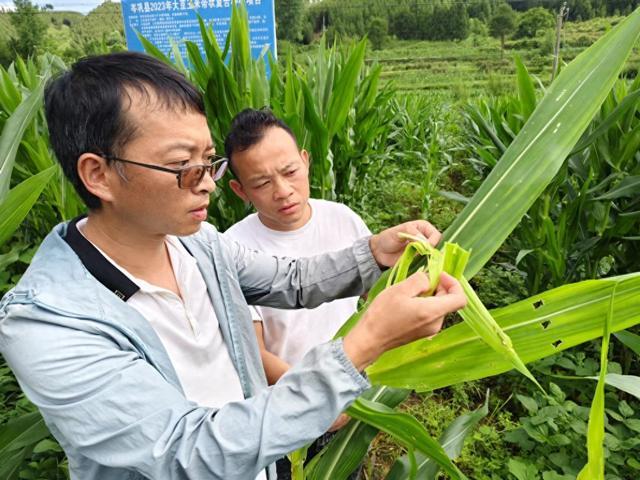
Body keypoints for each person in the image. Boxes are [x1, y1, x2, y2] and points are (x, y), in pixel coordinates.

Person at [0, 52, 466, 480]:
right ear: (98, 174)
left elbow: (291, 279)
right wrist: (365, 343)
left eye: (209, 162)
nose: (208, 185)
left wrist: (373, 253)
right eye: (183, 165)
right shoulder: (49, 324)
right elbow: (188, 453)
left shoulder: (198, 245)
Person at [223, 108, 371, 478]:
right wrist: (320, 397)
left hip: (352, 400)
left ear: (306, 161)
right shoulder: (233, 249)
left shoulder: (344, 220)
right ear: (240, 190)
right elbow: (252, 352)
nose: (283, 191)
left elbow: (370, 307)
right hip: (285, 411)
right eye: (261, 183)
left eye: (290, 172)